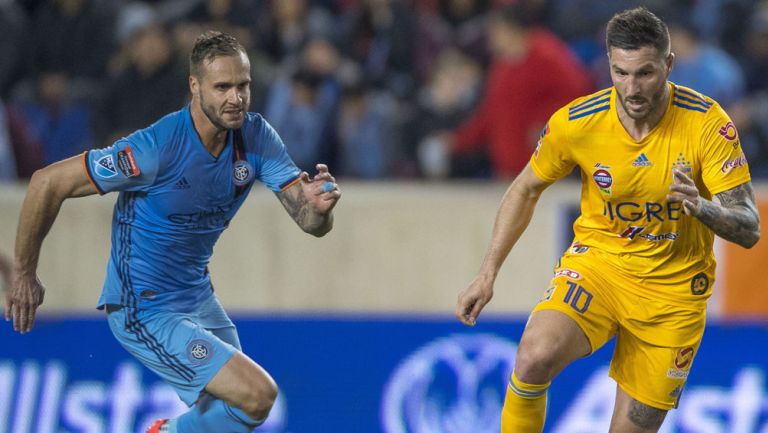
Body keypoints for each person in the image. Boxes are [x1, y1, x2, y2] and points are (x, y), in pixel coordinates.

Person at [4, 31, 341, 433]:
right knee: (257, 395)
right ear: (194, 86)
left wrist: (319, 210)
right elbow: (46, 183)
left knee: (236, 415)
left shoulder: (256, 136)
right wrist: (24, 273)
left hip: (198, 298)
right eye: (222, 87)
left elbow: (308, 221)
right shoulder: (155, 148)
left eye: (243, 85)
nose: (236, 98)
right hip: (144, 307)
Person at [455, 7, 760, 433]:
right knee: (533, 356)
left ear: (669, 65)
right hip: (600, 268)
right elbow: (525, 188)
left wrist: (702, 208)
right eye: (621, 73)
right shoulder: (577, 123)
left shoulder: (707, 125)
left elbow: (750, 226)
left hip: (672, 295)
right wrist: (487, 273)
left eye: (645, 74)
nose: (631, 88)